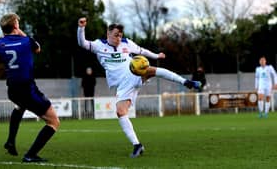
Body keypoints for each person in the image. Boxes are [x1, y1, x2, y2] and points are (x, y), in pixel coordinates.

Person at [77, 17, 201, 158]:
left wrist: (156, 55)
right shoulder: (99, 45)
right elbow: (83, 43)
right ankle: (137, 145)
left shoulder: (127, 43)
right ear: (108, 33)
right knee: (120, 112)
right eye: (116, 34)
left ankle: (186, 82)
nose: (119, 38)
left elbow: (142, 51)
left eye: (120, 35)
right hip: (123, 86)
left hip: (134, 73)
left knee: (152, 70)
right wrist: (81, 28)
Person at [0, 13, 60, 162]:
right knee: (54, 122)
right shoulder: (26, 41)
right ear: (16, 26)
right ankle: (30, 155)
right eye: (18, 22)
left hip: (12, 89)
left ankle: (11, 141)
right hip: (27, 89)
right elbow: (37, 48)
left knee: (20, 106)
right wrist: (21, 32)